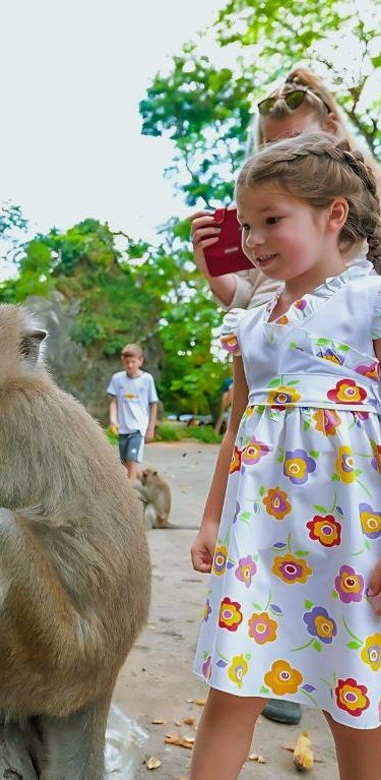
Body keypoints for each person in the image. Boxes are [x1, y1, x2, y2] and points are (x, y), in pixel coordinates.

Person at [190, 65, 381, 726]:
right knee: (236, 682)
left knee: (352, 692)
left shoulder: (368, 291)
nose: (251, 238)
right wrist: (212, 514)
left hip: (349, 524)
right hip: (263, 522)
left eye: (268, 219)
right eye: (248, 224)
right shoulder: (263, 304)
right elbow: (244, 409)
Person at [190, 65, 381, 312]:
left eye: (297, 138)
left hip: (336, 325)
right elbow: (242, 299)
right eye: (272, 145)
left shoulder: (367, 185)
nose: (286, 152)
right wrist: (211, 268)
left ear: (330, 127)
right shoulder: (252, 208)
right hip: (264, 326)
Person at [107, 343, 159, 485]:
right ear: (122, 360)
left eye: (133, 362)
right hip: (123, 427)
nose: (130, 365)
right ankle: (144, 478)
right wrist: (113, 420)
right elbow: (114, 402)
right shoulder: (117, 379)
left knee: (132, 460)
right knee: (125, 464)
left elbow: (153, 404)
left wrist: (150, 428)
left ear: (140, 361)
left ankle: (128, 495)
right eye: (127, 362)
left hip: (139, 428)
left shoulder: (147, 379)